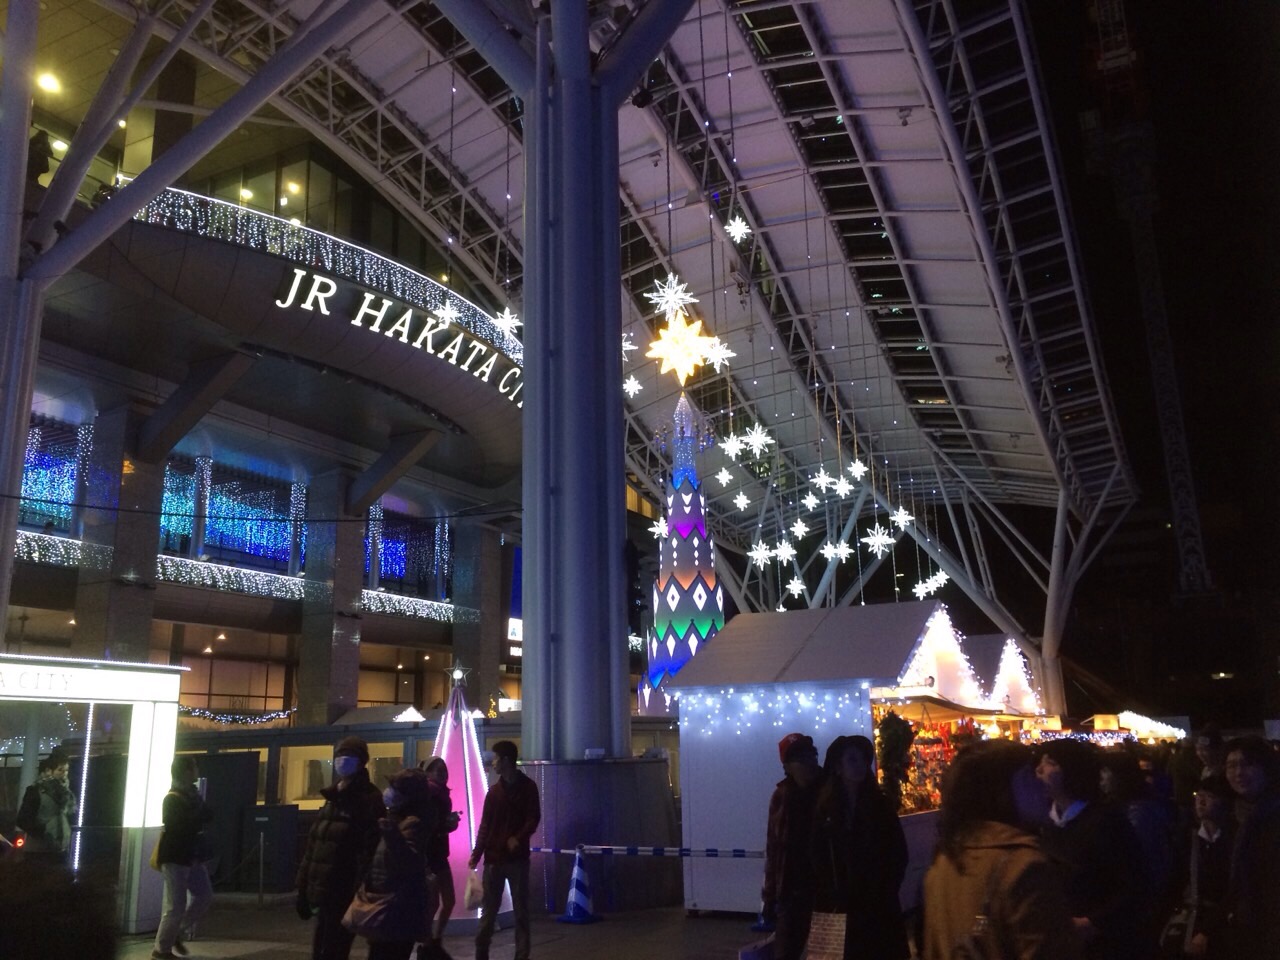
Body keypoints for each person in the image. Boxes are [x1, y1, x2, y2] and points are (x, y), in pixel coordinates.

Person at [922, 739, 1080, 960]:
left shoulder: (945, 861)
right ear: (1001, 790)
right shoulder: (1025, 868)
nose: (1040, 783)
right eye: (1028, 776)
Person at [1035, 738, 1146, 960]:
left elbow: (1136, 883)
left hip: (1105, 946)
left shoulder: (1107, 820)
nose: (1039, 770)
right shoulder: (1044, 823)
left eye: (1050, 763)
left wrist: (1095, 922)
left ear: (1072, 770)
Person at [809, 735, 909, 960]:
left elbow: (898, 853)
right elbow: (817, 854)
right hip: (838, 903)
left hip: (876, 904)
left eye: (863, 759)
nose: (860, 765)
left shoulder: (880, 805)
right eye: (852, 759)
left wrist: (886, 888)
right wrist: (829, 889)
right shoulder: (826, 809)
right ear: (838, 767)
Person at [297, 736, 387, 960]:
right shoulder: (332, 797)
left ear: (362, 761)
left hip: (344, 892)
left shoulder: (370, 799)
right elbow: (314, 846)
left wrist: (360, 889)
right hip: (323, 892)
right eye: (340, 755)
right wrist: (303, 887)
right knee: (321, 950)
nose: (342, 760)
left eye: (350, 755)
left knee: (334, 950)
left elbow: (370, 850)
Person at [349, 767, 435, 960]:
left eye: (395, 788)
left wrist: (392, 835)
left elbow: (409, 861)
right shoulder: (395, 819)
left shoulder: (412, 824)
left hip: (397, 910)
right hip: (384, 905)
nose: (389, 792)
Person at [468, 740, 540, 960]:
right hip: (495, 859)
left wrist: (517, 838)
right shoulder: (494, 792)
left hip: (514, 859)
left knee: (518, 911)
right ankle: (482, 953)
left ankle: (520, 955)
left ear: (506, 760)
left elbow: (533, 818)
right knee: (490, 911)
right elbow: (485, 825)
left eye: (496, 759)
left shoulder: (526, 788)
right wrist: (477, 853)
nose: (493, 763)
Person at [762, 732, 826, 960]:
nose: (809, 762)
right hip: (792, 893)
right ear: (787, 766)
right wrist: (770, 897)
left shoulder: (829, 792)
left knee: (824, 953)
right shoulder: (781, 797)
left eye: (812, 755)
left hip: (825, 893)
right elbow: (774, 850)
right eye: (801, 758)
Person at [1162, 775, 1233, 959]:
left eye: (1209, 796)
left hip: (1222, 922)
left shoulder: (1233, 839)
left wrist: (1207, 930)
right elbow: (1175, 879)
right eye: (1198, 795)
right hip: (1189, 916)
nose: (1201, 801)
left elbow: (1235, 888)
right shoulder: (1187, 836)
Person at [1222, 735, 1280, 956]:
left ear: (1266, 767)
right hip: (1246, 926)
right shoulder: (1232, 816)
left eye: (1248, 764)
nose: (1238, 772)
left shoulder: (1272, 814)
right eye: (1231, 765)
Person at [152, 755, 214, 960]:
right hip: (175, 857)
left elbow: (208, 815)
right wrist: (197, 817)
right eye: (194, 767)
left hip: (192, 856)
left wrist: (197, 815)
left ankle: (177, 932)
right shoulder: (172, 798)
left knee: (204, 895)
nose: (197, 771)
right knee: (176, 905)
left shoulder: (194, 796)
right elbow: (179, 826)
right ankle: (161, 950)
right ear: (187, 772)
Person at [419, 756, 461, 960]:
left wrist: (449, 824)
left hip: (440, 854)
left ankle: (433, 941)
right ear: (427, 773)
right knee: (434, 902)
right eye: (438, 770)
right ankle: (427, 943)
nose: (443, 774)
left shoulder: (443, 794)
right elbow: (427, 826)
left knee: (447, 900)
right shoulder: (428, 794)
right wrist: (447, 825)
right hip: (429, 855)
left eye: (445, 770)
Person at [15, 749, 77, 866]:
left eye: (66, 770)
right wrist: (44, 833)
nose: (64, 774)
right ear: (49, 771)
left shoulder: (67, 794)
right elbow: (22, 820)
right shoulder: (35, 791)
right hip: (38, 852)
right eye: (60, 770)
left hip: (60, 850)